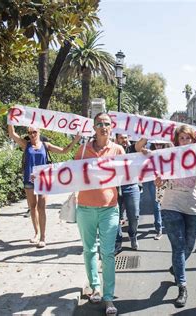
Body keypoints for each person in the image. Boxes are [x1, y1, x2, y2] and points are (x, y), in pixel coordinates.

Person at [75, 113, 125, 314]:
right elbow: (68, 173)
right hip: (85, 208)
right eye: (100, 124)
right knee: (89, 250)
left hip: (109, 209)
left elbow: (133, 170)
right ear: (94, 127)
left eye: (107, 123)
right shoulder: (84, 149)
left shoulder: (118, 149)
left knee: (108, 253)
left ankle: (109, 297)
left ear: (111, 127)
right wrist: (45, 177)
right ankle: (95, 287)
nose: (104, 126)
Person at [155, 125, 196, 308]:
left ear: (193, 141)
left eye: (188, 138)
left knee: (189, 246)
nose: (185, 142)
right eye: (182, 138)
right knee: (178, 247)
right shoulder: (169, 156)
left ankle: (176, 268)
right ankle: (182, 287)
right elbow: (160, 178)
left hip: (193, 203)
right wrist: (158, 180)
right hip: (171, 202)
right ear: (176, 140)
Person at [7, 125, 80, 248]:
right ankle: (36, 233)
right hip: (29, 180)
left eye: (34, 132)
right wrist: (11, 120)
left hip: (43, 181)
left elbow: (64, 150)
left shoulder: (46, 146)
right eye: (29, 133)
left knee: (41, 208)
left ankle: (43, 237)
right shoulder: (26, 145)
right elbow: (12, 134)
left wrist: (75, 140)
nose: (32, 135)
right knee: (32, 207)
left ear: (39, 132)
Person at [114, 134, 146, 253]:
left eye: (126, 137)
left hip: (131, 186)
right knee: (115, 216)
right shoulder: (112, 150)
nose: (124, 140)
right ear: (116, 139)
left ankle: (133, 235)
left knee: (134, 216)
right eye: (121, 138)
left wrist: (149, 131)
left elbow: (142, 142)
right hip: (115, 187)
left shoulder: (132, 149)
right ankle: (118, 241)